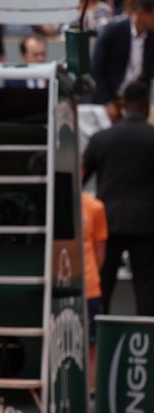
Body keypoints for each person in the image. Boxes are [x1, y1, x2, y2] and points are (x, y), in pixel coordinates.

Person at [84, 81, 154, 316]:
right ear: (146, 105)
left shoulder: (102, 138)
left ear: (124, 105)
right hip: (146, 224)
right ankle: (148, 345)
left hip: (107, 222)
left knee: (104, 284)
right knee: (146, 288)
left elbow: (80, 179)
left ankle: (100, 339)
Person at [91, 0, 154, 122]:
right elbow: (96, 69)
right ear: (141, 13)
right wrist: (107, 101)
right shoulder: (113, 31)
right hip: (111, 97)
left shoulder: (151, 37)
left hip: (137, 101)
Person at [81, 190, 107, 392]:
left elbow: (100, 250)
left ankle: (90, 393)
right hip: (59, 285)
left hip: (89, 289)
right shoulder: (50, 203)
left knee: (91, 343)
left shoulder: (95, 207)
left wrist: (91, 277)